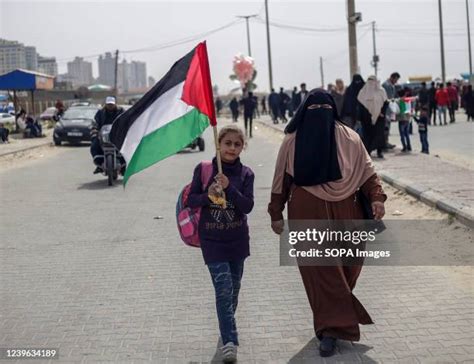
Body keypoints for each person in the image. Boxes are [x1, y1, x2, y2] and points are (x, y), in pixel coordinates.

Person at [268, 89, 386, 358]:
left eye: (324, 107)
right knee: (322, 272)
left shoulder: (350, 138)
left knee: (350, 265)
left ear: (332, 110)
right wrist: (275, 213)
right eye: (313, 108)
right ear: (303, 111)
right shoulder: (292, 141)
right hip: (306, 211)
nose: (319, 113)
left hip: (349, 210)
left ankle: (336, 316)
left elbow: (368, 172)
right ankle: (329, 329)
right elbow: (280, 181)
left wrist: (377, 198)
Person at [187, 125, 255, 363]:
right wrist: (209, 195)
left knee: (234, 291)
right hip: (212, 241)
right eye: (228, 143)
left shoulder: (246, 174)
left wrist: (229, 188)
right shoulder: (205, 169)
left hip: (237, 241)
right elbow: (190, 200)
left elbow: (247, 206)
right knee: (224, 290)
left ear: (242, 147)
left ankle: (226, 324)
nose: (232, 148)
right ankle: (229, 341)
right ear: (219, 145)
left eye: (237, 144)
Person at [90, 96, 124, 174]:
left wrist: (126, 129)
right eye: (108, 104)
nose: (110, 106)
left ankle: (123, 166)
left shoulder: (121, 111)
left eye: (112, 104)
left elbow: (126, 120)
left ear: (115, 104)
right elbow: (95, 122)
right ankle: (99, 164)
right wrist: (94, 131)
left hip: (117, 135)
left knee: (126, 146)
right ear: (105, 104)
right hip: (103, 135)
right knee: (94, 145)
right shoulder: (100, 112)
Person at [357, 75, 388, 158]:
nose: (371, 83)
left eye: (373, 80)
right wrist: (363, 116)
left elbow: (385, 103)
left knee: (379, 134)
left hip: (380, 117)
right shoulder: (362, 92)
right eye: (369, 81)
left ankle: (379, 151)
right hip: (366, 118)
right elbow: (360, 106)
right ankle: (368, 151)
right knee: (368, 135)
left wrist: (382, 112)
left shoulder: (382, 91)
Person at [382, 72, 400, 149]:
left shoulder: (391, 85)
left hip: (390, 110)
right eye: (396, 79)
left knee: (387, 127)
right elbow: (389, 98)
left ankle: (386, 142)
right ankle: (384, 143)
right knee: (385, 127)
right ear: (392, 78)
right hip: (386, 110)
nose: (396, 81)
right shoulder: (386, 85)